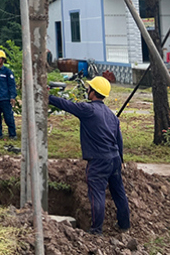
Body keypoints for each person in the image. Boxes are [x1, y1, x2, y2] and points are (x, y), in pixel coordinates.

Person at [49, 76, 131, 235]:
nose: (87, 90)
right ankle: (124, 225)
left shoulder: (88, 109)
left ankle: (96, 230)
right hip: (114, 159)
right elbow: (118, 139)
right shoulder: (111, 115)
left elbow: (67, 105)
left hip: (99, 160)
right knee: (119, 192)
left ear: (94, 92)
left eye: (89, 88)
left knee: (97, 193)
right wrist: (120, 160)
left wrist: (48, 97)